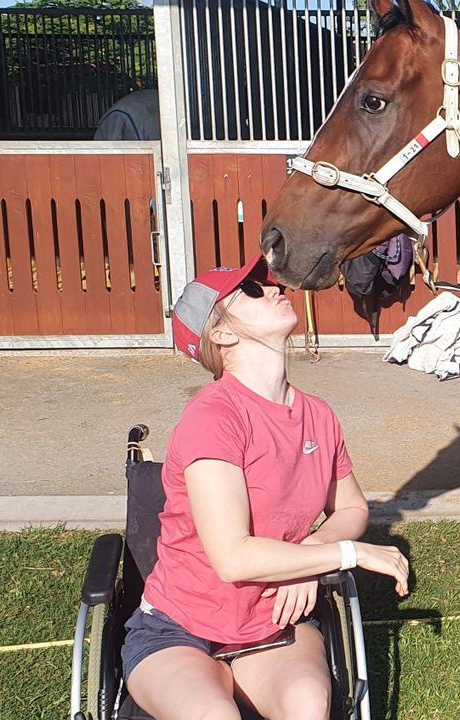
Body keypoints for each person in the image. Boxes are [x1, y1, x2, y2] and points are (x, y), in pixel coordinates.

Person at [122, 255, 410, 720]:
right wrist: (349, 555)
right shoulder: (215, 417)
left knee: (309, 706)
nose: (274, 288)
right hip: (178, 630)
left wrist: (309, 555)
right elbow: (233, 557)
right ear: (221, 333)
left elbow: (352, 508)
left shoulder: (317, 414)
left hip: (272, 623)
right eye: (253, 290)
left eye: (270, 282)